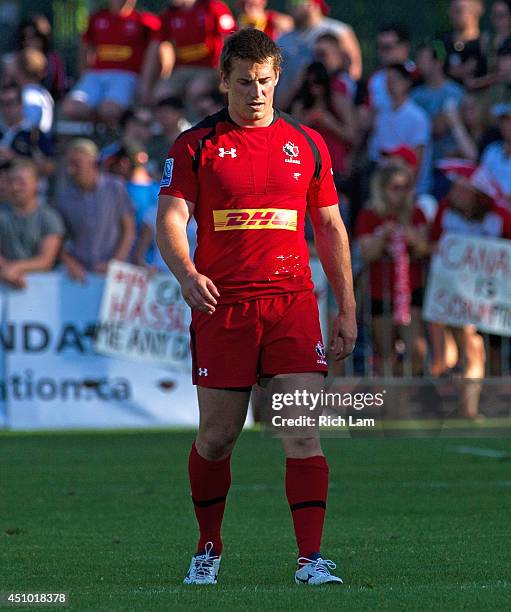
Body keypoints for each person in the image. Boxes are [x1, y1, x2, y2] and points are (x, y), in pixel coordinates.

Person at [156, 28, 356, 586]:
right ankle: (209, 545)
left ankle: (311, 560)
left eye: (266, 81)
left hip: (291, 304)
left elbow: (330, 226)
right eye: (244, 82)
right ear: (224, 81)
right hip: (224, 308)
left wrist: (346, 308)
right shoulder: (194, 145)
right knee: (218, 438)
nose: (256, 92)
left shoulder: (308, 144)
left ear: (277, 80)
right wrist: (187, 272)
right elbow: (171, 219)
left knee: (300, 429)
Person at [430, 161, 511, 416]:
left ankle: (473, 406)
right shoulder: (445, 211)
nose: (454, 192)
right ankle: (467, 407)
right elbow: (432, 244)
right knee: (464, 349)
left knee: (477, 350)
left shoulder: (500, 217)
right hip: (454, 297)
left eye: (460, 188)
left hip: (490, 300)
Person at [355, 164, 429, 375]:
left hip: (410, 293)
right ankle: (393, 407)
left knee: (416, 351)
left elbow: (424, 248)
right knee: (386, 355)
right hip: (380, 293)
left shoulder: (416, 214)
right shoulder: (369, 215)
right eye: (395, 188)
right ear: (382, 188)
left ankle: (405, 396)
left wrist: (411, 236)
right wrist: (382, 237)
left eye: (406, 187)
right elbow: (366, 252)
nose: (402, 193)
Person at [62, 0, 160, 128]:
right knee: (72, 107)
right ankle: (102, 124)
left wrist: (146, 83)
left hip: (126, 76)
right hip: (95, 76)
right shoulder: (96, 18)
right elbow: (84, 49)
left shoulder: (146, 21)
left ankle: (111, 127)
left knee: (110, 110)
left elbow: (159, 50)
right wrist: (84, 76)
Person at [56, 139, 135, 281]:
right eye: (69, 164)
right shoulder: (64, 197)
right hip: (82, 275)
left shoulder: (115, 187)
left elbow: (129, 230)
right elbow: (57, 239)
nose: (70, 170)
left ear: (92, 162)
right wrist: (70, 263)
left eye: (76, 164)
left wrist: (114, 264)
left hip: (117, 276)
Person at [140, 0, 236, 102]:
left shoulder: (213, 7)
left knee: (195, 90)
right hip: (182, 70)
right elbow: (155, 46)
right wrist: (146, 86)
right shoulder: (169, 14)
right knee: (161, 93)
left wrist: (225, 74)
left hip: (209, 70)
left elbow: (230, 38)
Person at [275, 0, 362, 109]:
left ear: (313, 4)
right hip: (289, 109)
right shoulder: (282, 39)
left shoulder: (339, 31)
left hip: (329, 107)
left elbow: (354, 70)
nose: (289, 7)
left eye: (295, 2)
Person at [368, 63, 432, 194]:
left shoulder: (418, 117)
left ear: (407, 83)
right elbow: (376, 155)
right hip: (383, 187)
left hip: (410, 189)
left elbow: (416, 161)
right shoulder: (381, 115)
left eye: (395, 79)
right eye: (388, 80)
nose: (390, 84)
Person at [0, 160, 63, 289]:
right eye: (11, 182)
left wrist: (16, 268)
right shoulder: (2, 214)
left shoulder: (49, 217)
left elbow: (46, 260)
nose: (15, 187)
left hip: (40, 291)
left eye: (21, 182)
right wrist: (6, 270)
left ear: (36, 184)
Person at [16, 14, 68, 100]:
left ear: (43, 38)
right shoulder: (16, 60)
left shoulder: (54, 59)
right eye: (25, 37)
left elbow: (61, 89)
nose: (28, 42)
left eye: (33, 37)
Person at [440, 0, 487, 86]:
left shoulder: (486, 43)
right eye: (452, 10)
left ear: (475, 11)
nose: (454, 15)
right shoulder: (441, 42)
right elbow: (436, 68)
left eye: (459, 10)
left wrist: (478, 83)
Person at [13, 48, 54, 134]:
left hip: (32, 144)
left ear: (18, 71)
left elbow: (31, 124)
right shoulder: (43, 93)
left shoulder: (30, 95)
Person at [479, 103, 511, 207]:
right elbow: (481, 181)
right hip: (491, 208)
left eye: (510, 121)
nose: (506, 126)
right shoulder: (492, 150)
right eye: (503, 122)